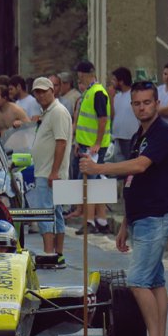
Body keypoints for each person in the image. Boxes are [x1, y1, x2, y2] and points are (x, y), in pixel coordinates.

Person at [79, 81, 168, 336]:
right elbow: (134, 181)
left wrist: (99, 168)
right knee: (155, 281)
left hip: (155, 216)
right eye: (137, 103)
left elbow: (139, 166)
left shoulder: (164, 133)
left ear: (157, 103)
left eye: (147, 102)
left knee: (137, 281)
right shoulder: (140, 135)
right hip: (140, 217)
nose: (142, 108)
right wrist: (125, 223)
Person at [26, 77, 72, 268]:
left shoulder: (58, 112)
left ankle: (49, 253)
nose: (40, 95)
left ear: (52, 91)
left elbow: (61, 142)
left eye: (44, 91)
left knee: (46, 213)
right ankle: (57, 254)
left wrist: (54, 172)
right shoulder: (49, 112)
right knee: (56, 213)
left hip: (49, 173)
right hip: (47, 171)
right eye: (37, 92)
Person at [72, 60, 111, 234]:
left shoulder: (97, 92)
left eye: (80, 75)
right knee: (95, 181)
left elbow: (103, 119)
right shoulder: (90, 91)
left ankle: (89, 222)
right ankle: (101, 220)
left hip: (93, 147)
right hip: (86, 145)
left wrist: (97, 143)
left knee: (89, 183)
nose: (79, 78)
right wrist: (78, 143)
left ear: (86, 74)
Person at [110, 66, 136, 161]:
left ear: (121, 82)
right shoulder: (117, 96)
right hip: (117, 137)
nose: (112, 82)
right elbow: (112, 116)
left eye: (114, 80)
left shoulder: (133, 94)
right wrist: (111, 98)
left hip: (130, 138)